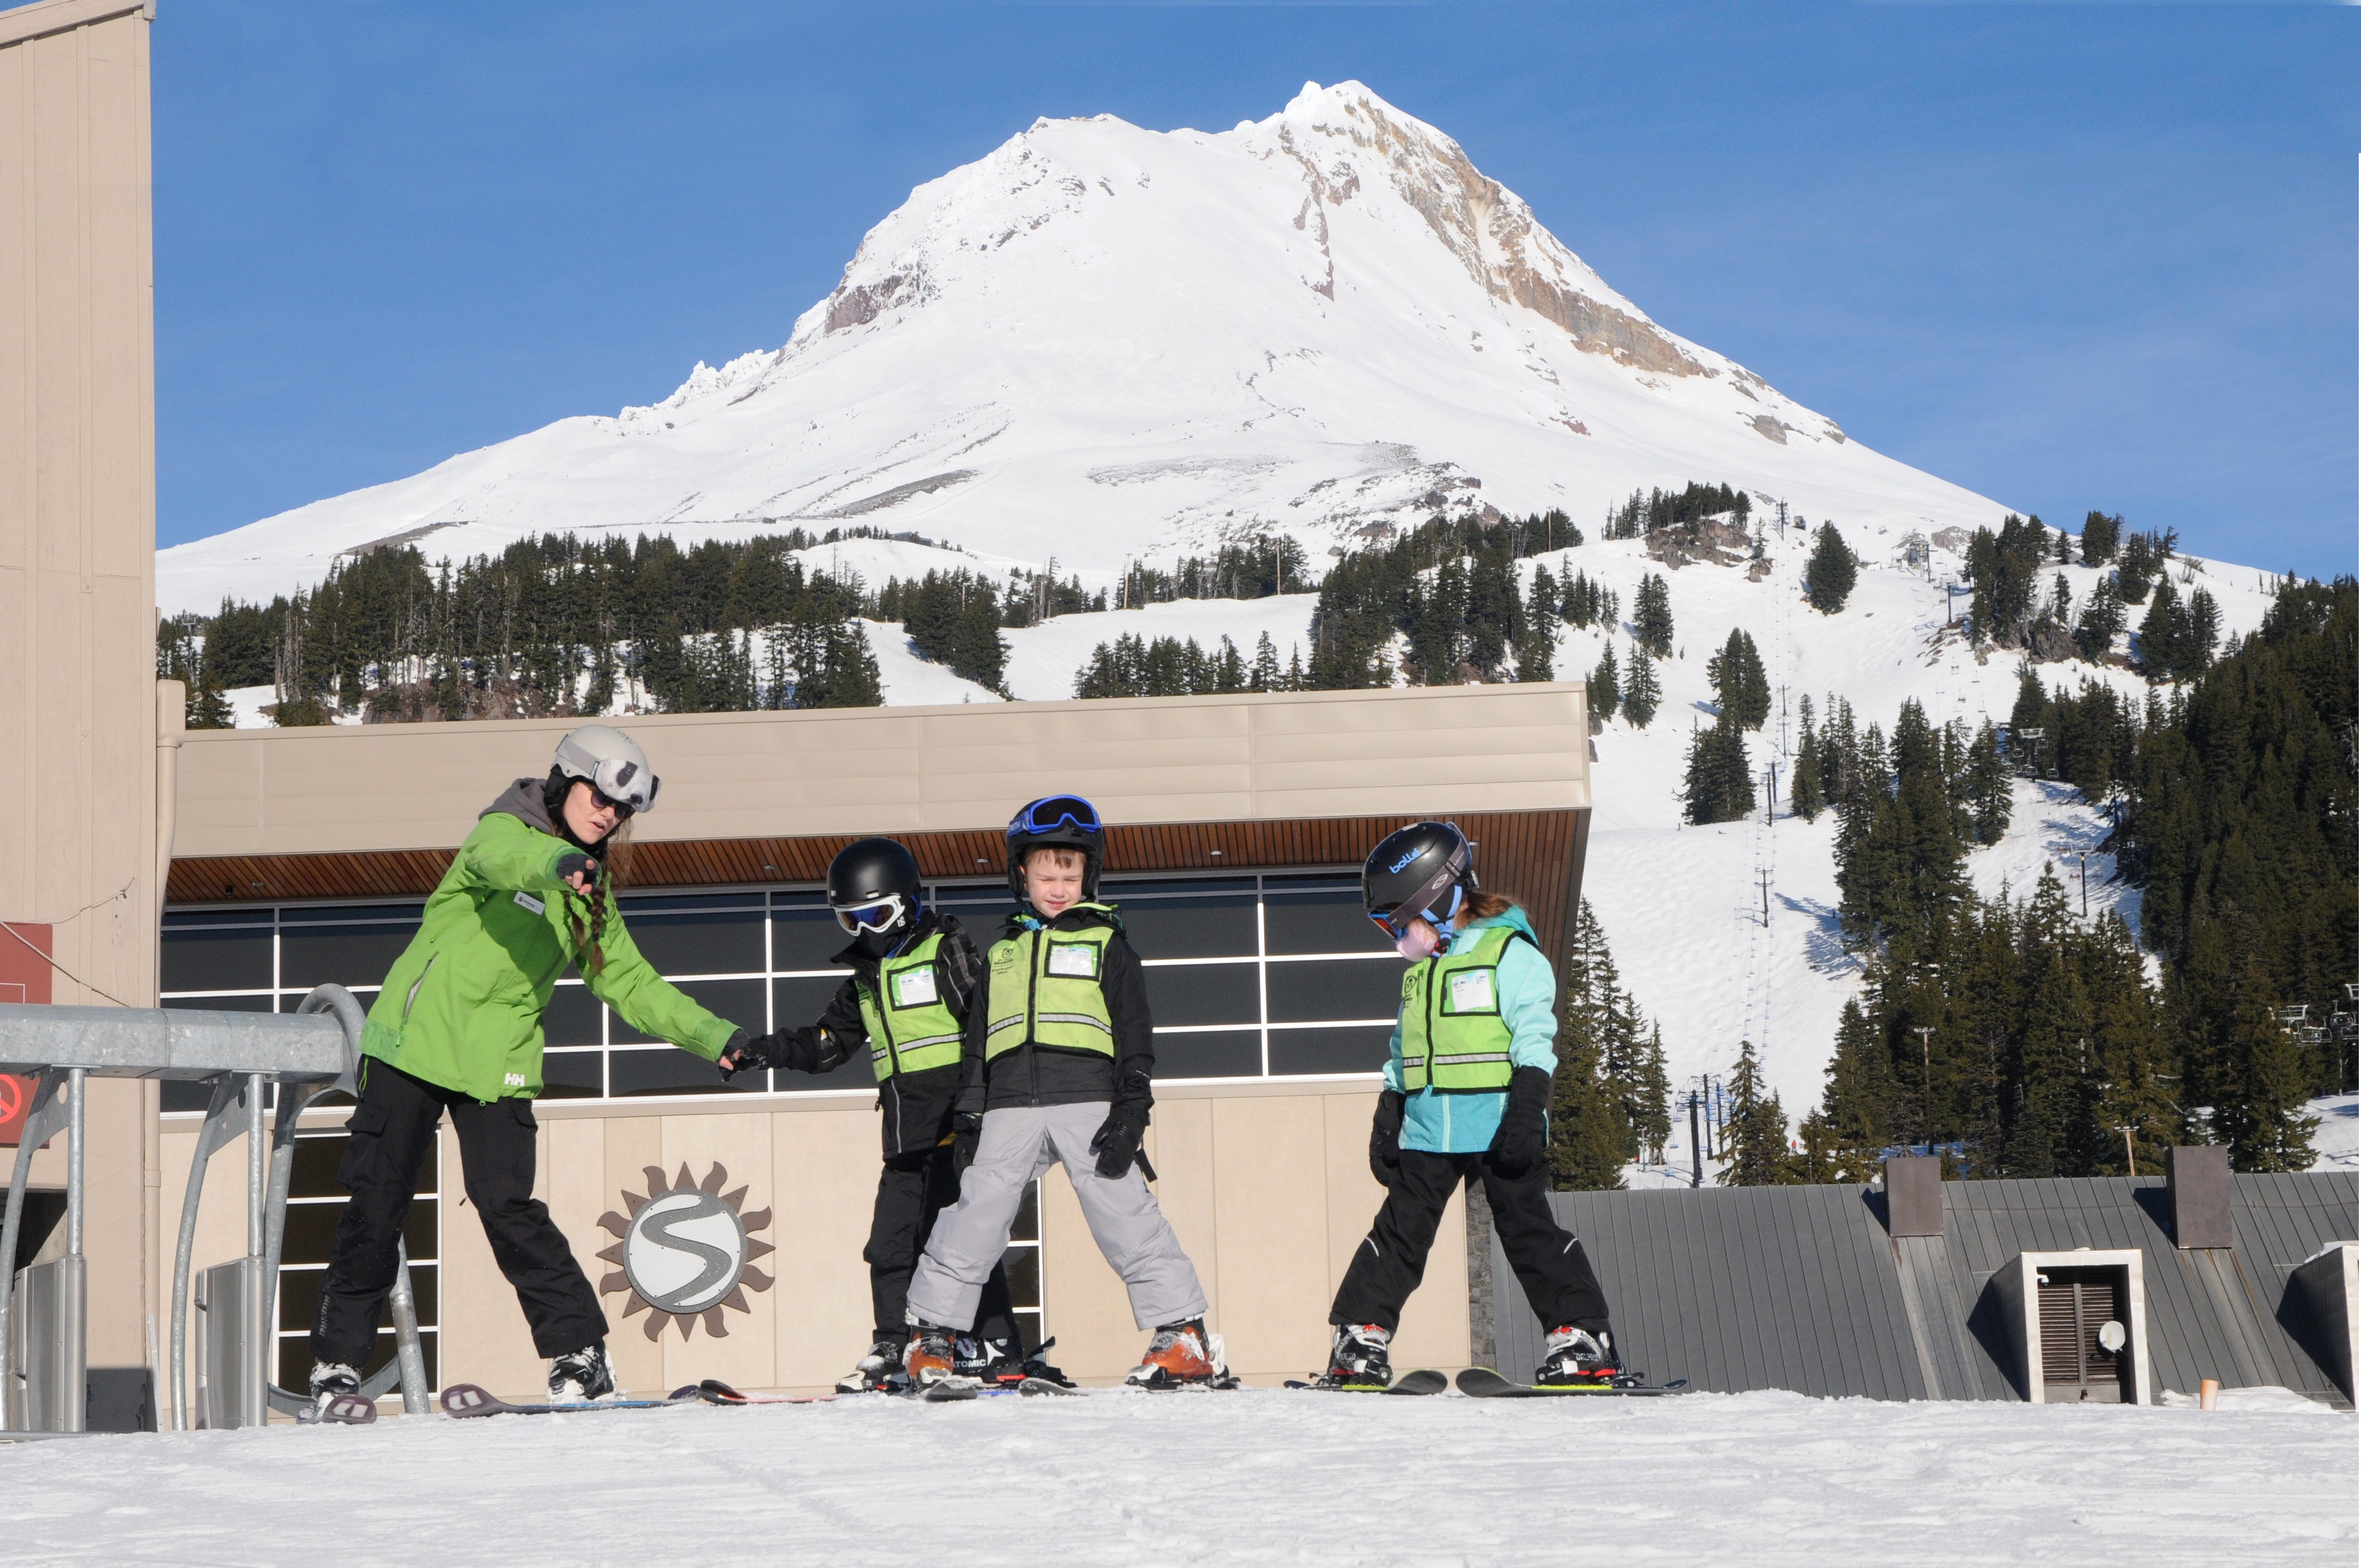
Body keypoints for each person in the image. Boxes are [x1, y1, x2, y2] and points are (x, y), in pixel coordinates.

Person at [306, 725, 769, 1412]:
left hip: (498, 1063)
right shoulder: (500, 832)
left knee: (509, 1207)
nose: (608, 816)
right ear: (563, 781)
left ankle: (581, 1354)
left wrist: (716, 1037)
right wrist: (559, 865)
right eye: (600, 798)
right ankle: (336, 1366)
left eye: (621, 810)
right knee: (377, 1205)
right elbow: (509, 861)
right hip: (412, 1046)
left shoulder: (587, 892)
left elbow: (630, 983)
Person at [900, 795, 1227, 1388]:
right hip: (1008, 1106)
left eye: (1070, 877)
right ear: (1021, 877)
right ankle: (933, 1338)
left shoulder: (1108, 944)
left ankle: (1184, 1336)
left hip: (1088, 1101)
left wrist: (1132, 1110)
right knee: (974, 1215)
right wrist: (969, 1114)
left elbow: (1135, 1036)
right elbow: (977, 1046)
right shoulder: (1001, 954)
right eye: (1046, 876)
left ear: (1089, 877)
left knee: (1124, 1213)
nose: (1058, 888)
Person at [720, 837, 1061, 1391]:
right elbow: (826, 1044)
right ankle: (895, 1345)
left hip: (958, 1127)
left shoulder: (944, 950)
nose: (865, 931)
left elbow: (987, 1026)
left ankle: (996, 1346)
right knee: (889, 1245)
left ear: (907, 905)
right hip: (905, 1139)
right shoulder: (865, 980)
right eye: (851, 921)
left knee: (961, 1240)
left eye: (876, 916)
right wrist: (762, 1051)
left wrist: (985, 1106)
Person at [1320, 821, 1619, 1389]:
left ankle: (1582, 1337)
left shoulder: (1508, 953)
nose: (1399, 938)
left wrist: (1528, 1107)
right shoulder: (1423, 973)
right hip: (1429, 1127)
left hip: (1498, 1121)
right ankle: (1359, 1337)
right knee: (1400, 1232)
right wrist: (1390, 1109)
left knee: (1526, 1227)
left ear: (1438, 897)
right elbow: (1403, 1048)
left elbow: (1534, 1034)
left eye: (1400, 921)